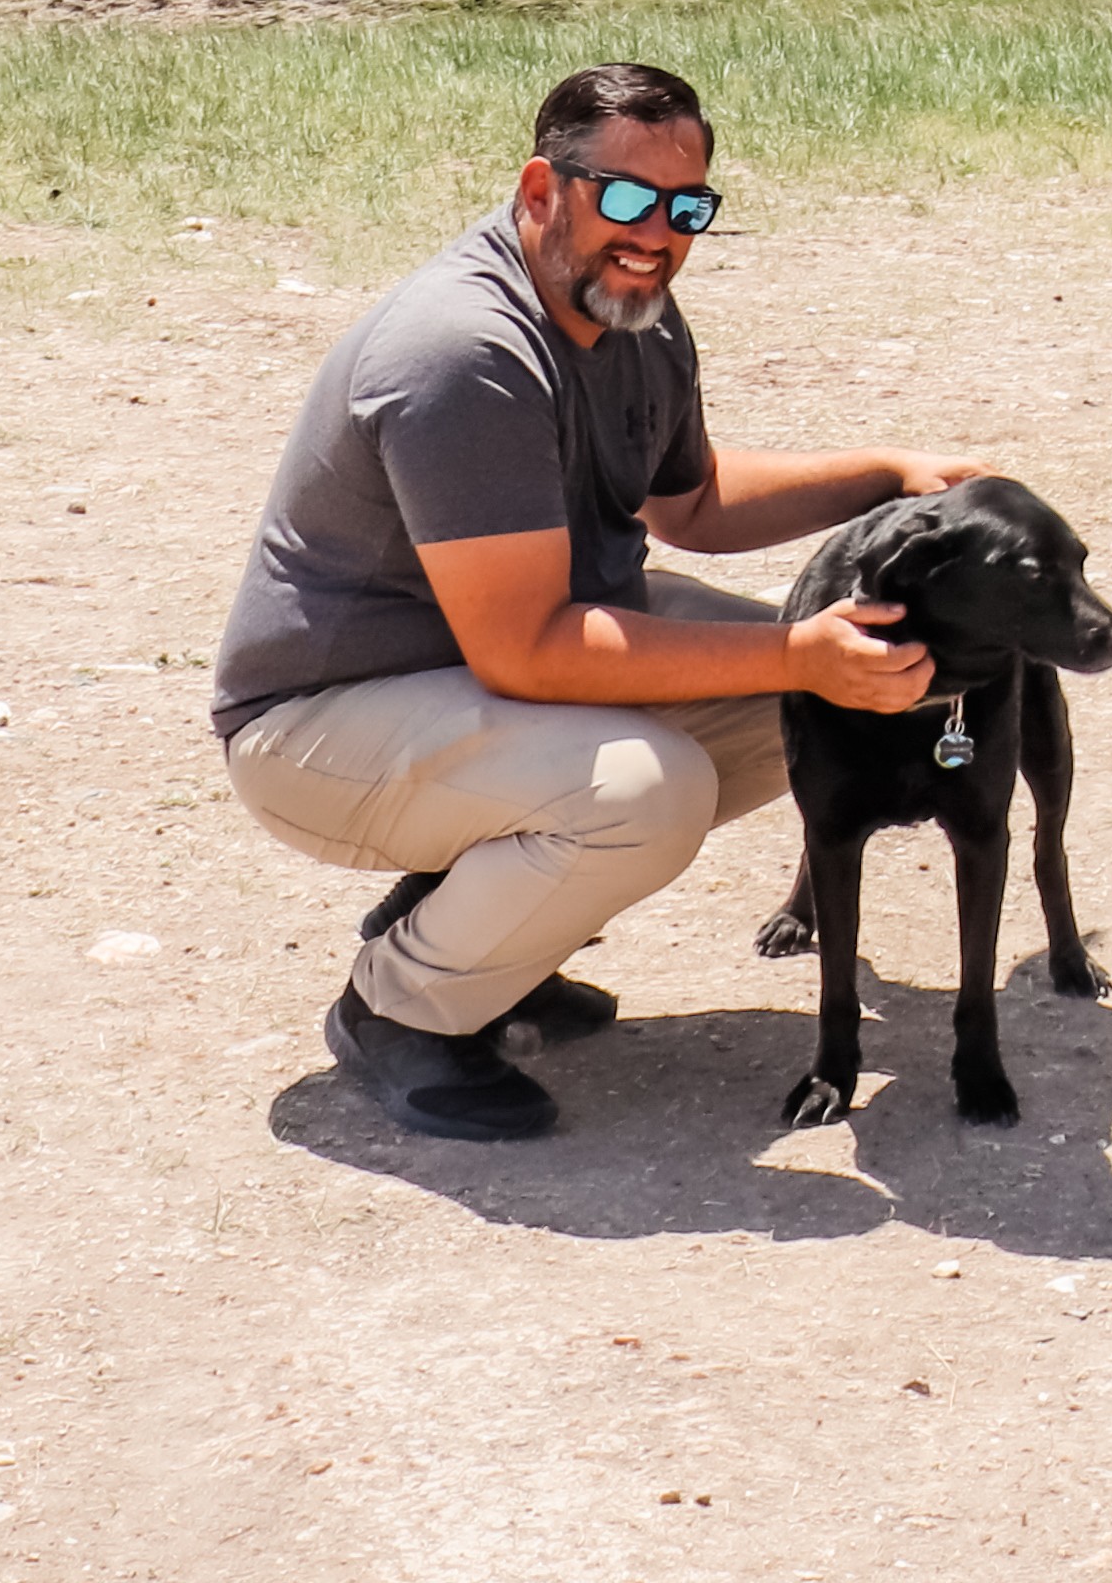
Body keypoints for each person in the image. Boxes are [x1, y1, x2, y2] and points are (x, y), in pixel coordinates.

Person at [210, 65, 985, 1142]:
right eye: (626, 197)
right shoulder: (463, 353)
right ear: (542, 190)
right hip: (321, 728)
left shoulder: (633, 318)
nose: (656, 234)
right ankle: (401, 1008)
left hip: (472, 688)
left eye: (686, 207)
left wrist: (886, 474)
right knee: (646, 788)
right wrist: (798, 653)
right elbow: (529, 650)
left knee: (809, 702)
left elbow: (692, 502)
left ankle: (470, 924)